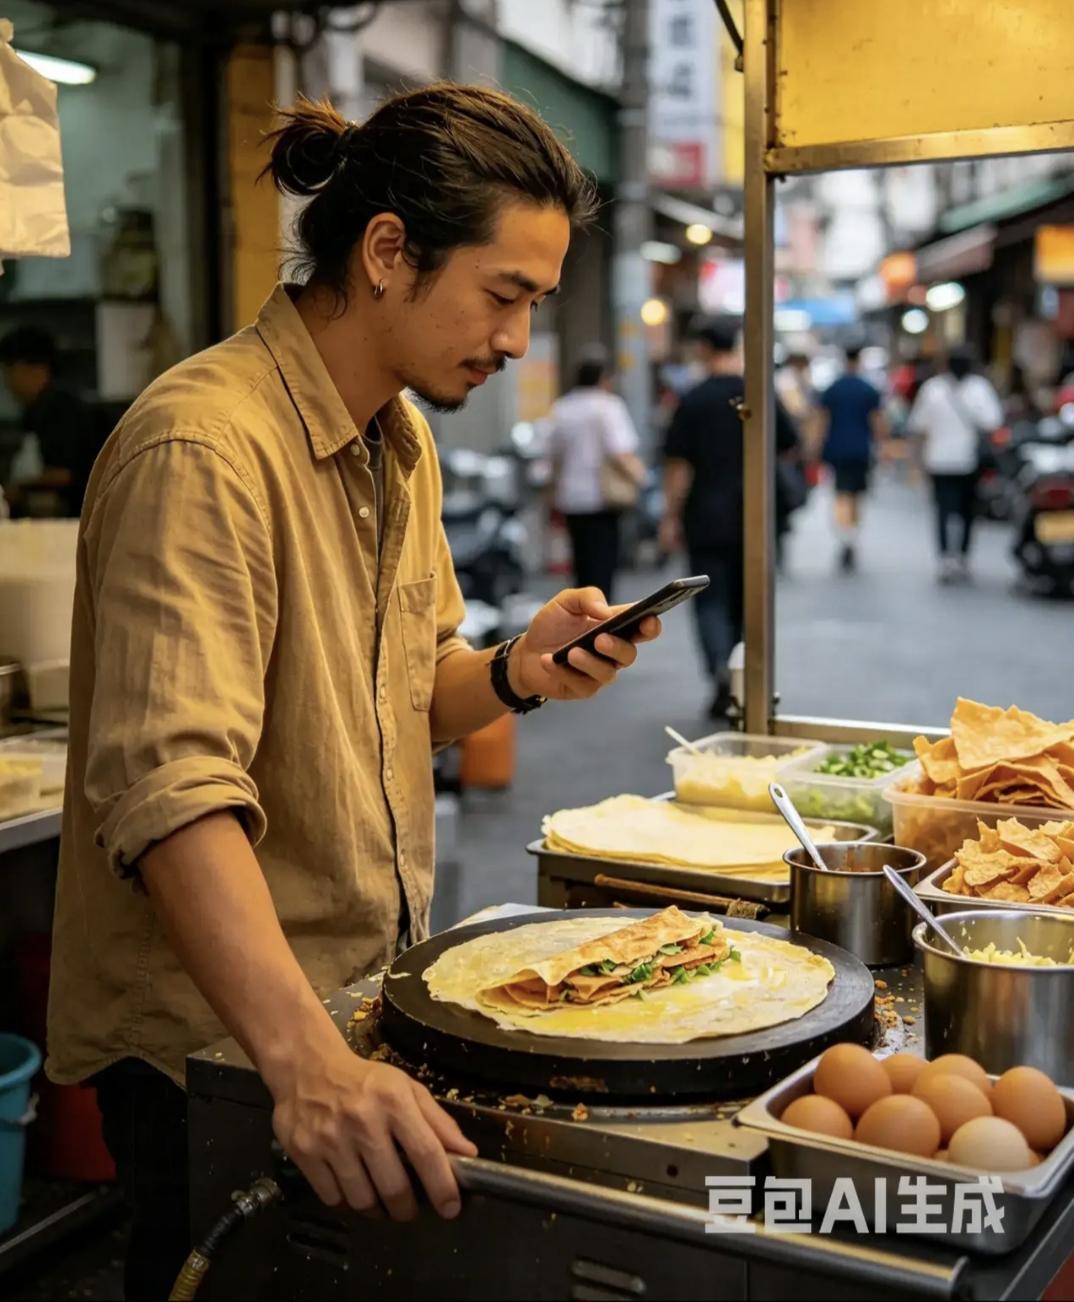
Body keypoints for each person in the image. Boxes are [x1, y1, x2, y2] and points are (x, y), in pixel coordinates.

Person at [45, 87, 664, 1301]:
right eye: (505, 295)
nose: (520, 341)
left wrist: (514, 672)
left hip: (343, 1009)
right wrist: (305, 1063)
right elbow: (171, 795)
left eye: (537, 303)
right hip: (215, 1051)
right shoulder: (203, 448)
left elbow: (403, 692)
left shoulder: (399, 438)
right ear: (387, 251)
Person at [660, 321, 799, 720]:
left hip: (705, 514)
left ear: (704, 347)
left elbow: (679, 466)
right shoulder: (756, 394)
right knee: (748, 599)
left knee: (709, 600)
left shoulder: (693, 399)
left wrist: (669, 517)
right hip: (756, 513)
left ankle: (720, 668)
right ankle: (741, 676)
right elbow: (791, 444)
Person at [546, 354, 645, 601]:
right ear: (603, 378)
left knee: (581, 562)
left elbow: (552, 453)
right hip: (603, 497)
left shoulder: (562, 408)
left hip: (571, 497)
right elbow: (621, 451)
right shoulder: (609, 406)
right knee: (604, 563)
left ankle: (580, 612)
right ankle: (601, 616)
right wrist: (641, 477)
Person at [907, 347, 1003, 582]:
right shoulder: (979, 389)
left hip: (940, 459)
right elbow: (993, 422)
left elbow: (918, 427)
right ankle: (960, 556)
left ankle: (946, 558)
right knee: (967, 511)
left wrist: (916, 462)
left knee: (944, 510)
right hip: (966, 460)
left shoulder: (933, 389)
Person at [0, 325, 97, 517]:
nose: (7, 382)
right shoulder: (34, 410)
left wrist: (16, 489)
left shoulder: (60, 406)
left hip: (77, 518)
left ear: (33, 369)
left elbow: (63, 474)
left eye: (10, 371)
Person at [816, 344, 888, 571]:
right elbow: (878, 422)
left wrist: (814, 447)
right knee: (857, 494)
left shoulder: (832, 389)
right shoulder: (869, 389)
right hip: (861, 449)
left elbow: (821, 420)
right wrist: (883, 446)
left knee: (841, 493)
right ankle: (852, 534)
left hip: (836, 448)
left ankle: (845, 535)